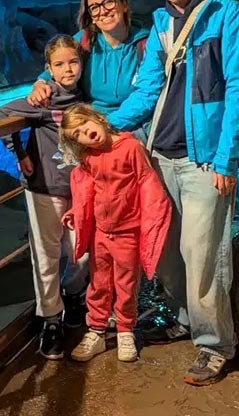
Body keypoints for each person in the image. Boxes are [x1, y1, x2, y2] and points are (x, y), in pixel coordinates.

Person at [106, 0, 239, 385]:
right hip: (161, 155)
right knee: (167, 252)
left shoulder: (227, 14)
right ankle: (185, 319)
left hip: (205, 160)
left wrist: (227, 159)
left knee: (203, 254)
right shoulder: (160, 22)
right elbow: (149, 88)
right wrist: (108, 126)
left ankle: (215, 345)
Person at [0, 34, 90, 360]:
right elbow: (4, 113)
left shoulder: (88, 96)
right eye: (59, 64)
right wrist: (19, 152)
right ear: (49, 68)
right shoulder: (43, 100)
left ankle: (74, 293)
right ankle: (50, 319)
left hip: (80, 188)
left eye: (73, 62)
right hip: (44, 186)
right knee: (46, 256)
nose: (68, 69)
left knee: (80, 252)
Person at [58, 104, 172, 363]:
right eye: (77, 135)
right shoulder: (89, 158)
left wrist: (151, 220)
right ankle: (96, 330)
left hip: (127, 233)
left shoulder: (131, 148)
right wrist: (76, 211)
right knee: (98, 283)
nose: (85, 133)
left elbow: (147, 182)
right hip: (100, 233)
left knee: (126, 284)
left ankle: (125, 331)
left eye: (84, 125)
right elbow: (86, 191)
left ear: (97, 118)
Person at [27, 0, 150, 140]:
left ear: (124, 4)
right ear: (91, 16)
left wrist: (108, 125)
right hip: (90, 123)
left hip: (132, 126)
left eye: (109, 2)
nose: (103, 11)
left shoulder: (146, 43)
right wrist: (40, 82)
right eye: (95, 7)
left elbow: (148, 94)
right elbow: (59, 59)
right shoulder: (85, 40)